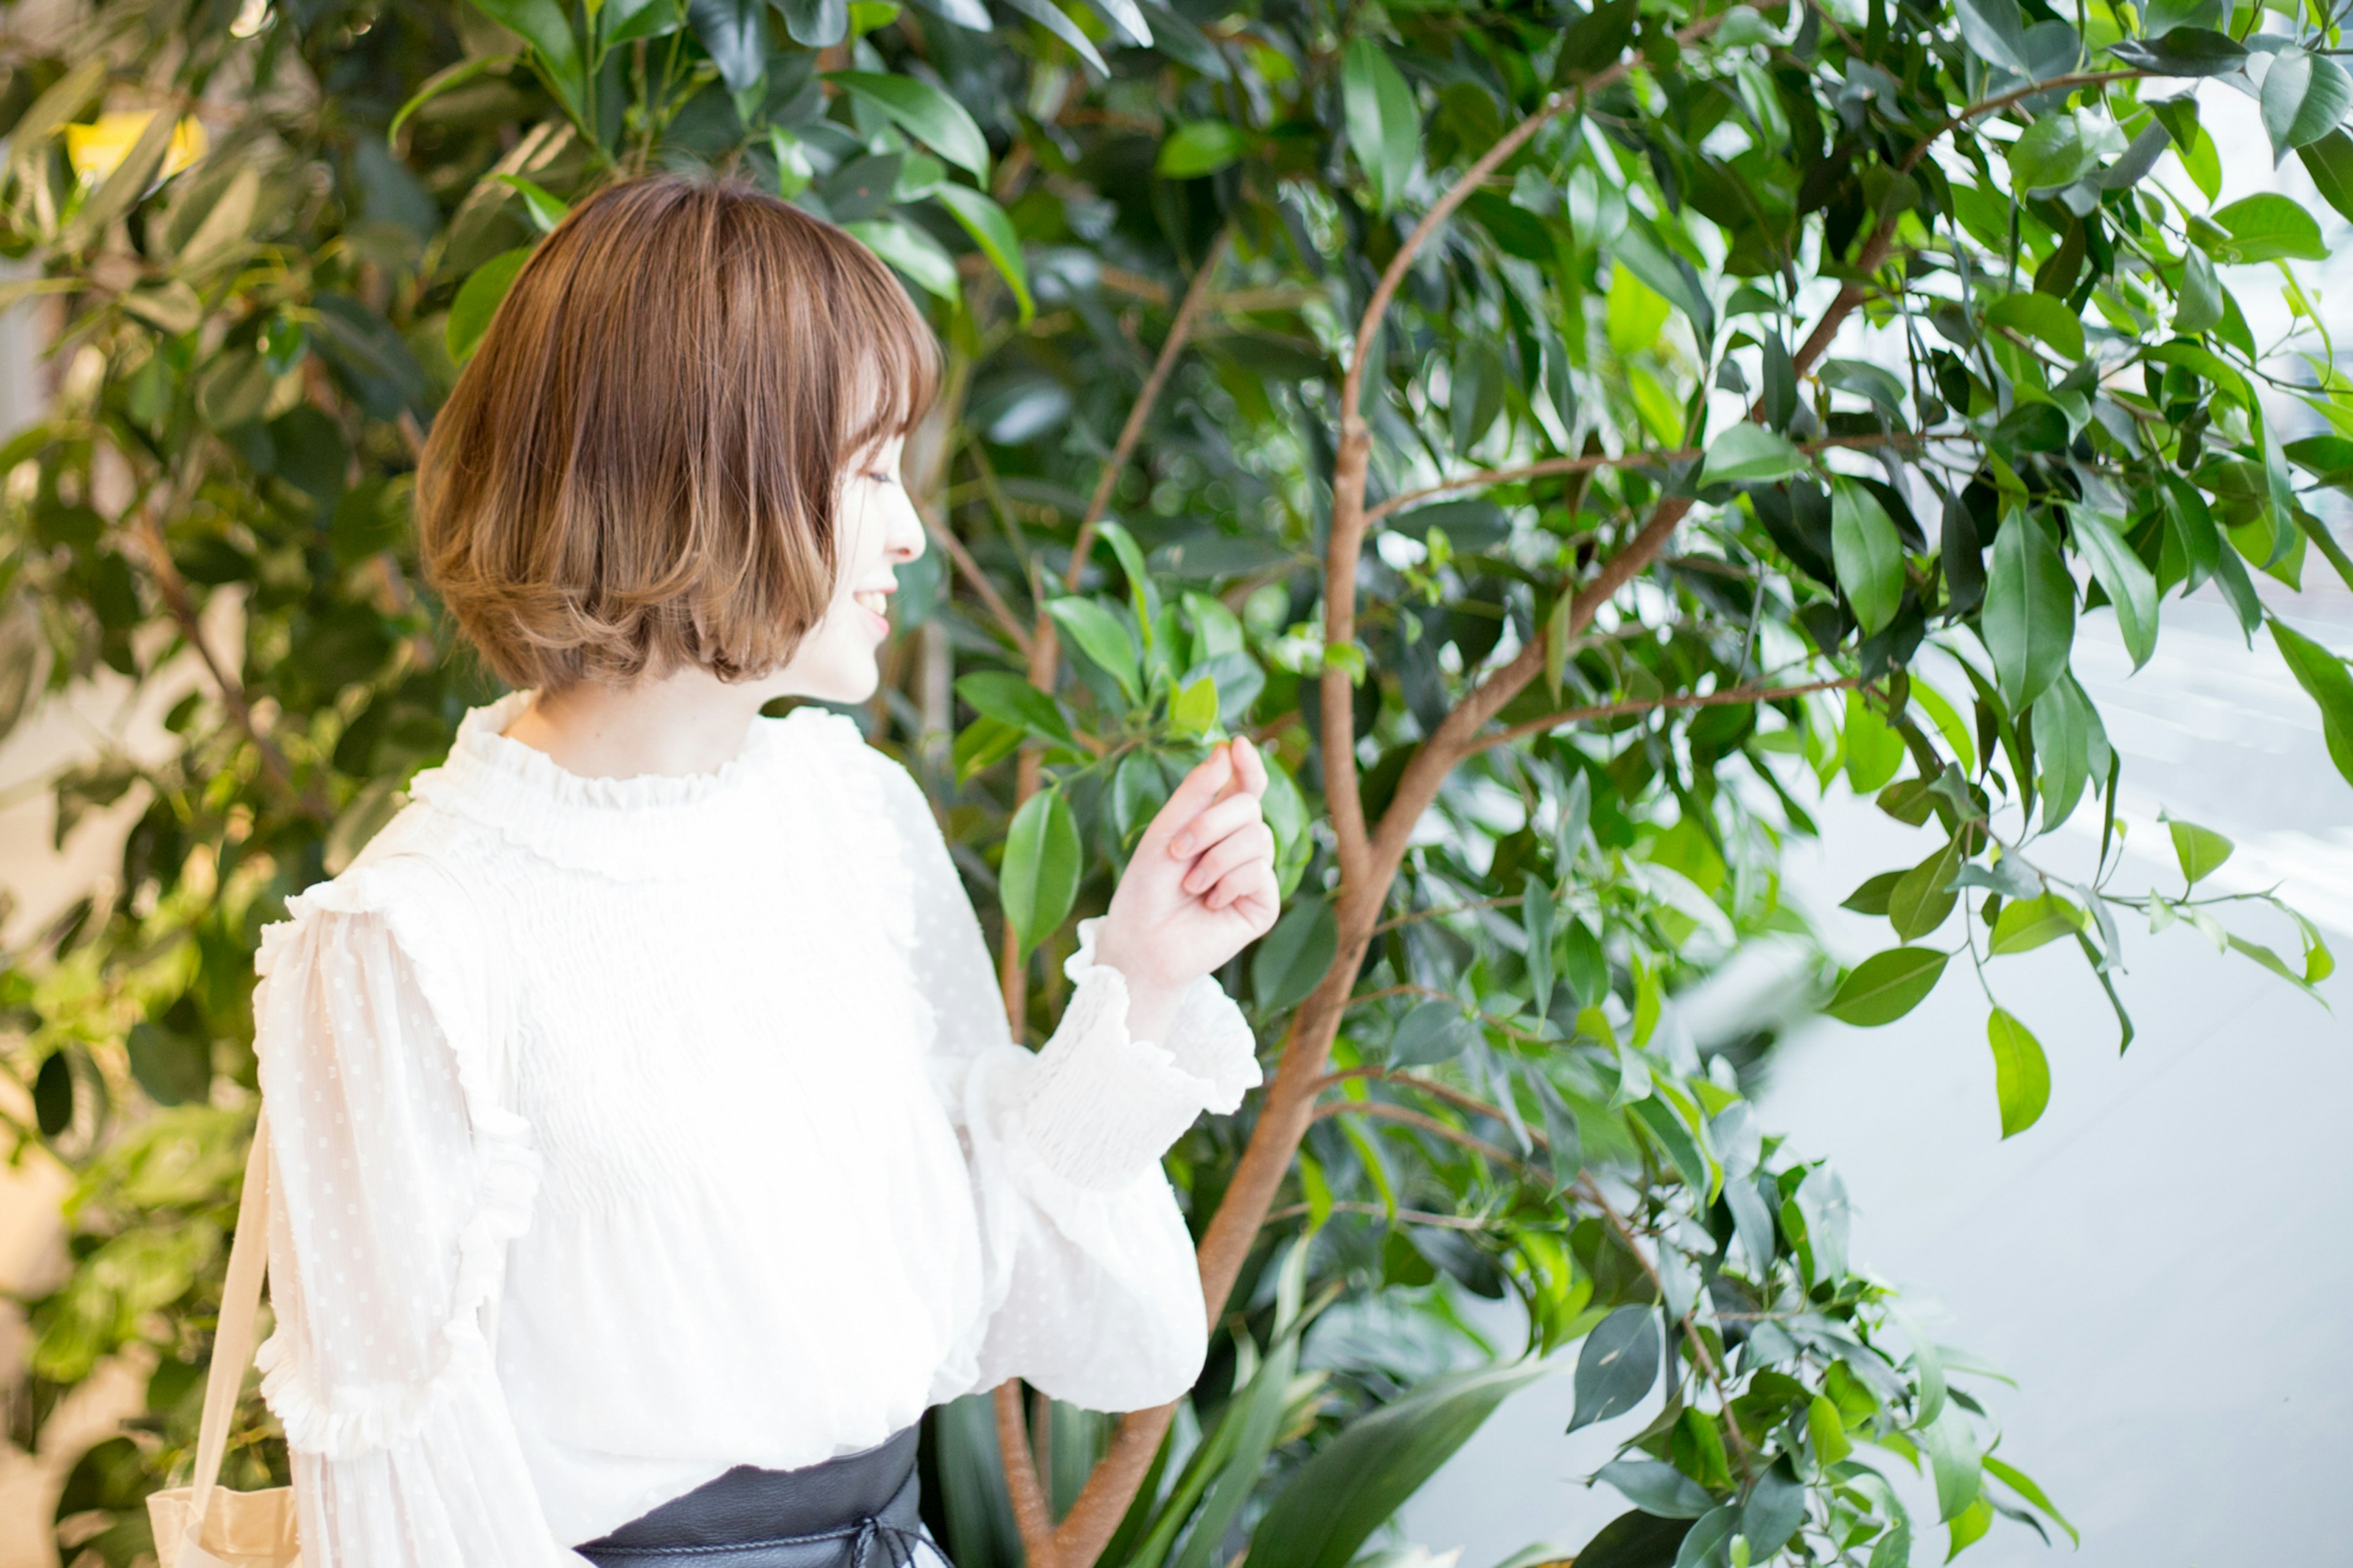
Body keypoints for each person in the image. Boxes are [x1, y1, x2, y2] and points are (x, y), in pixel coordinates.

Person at [247, 173, 1281, 1566]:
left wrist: (1144, 980)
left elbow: (995, 1269)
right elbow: (410, 1513)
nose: (909, 530)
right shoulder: (408, 938)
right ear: (699, 471)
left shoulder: (849, 814)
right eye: (867, 471)